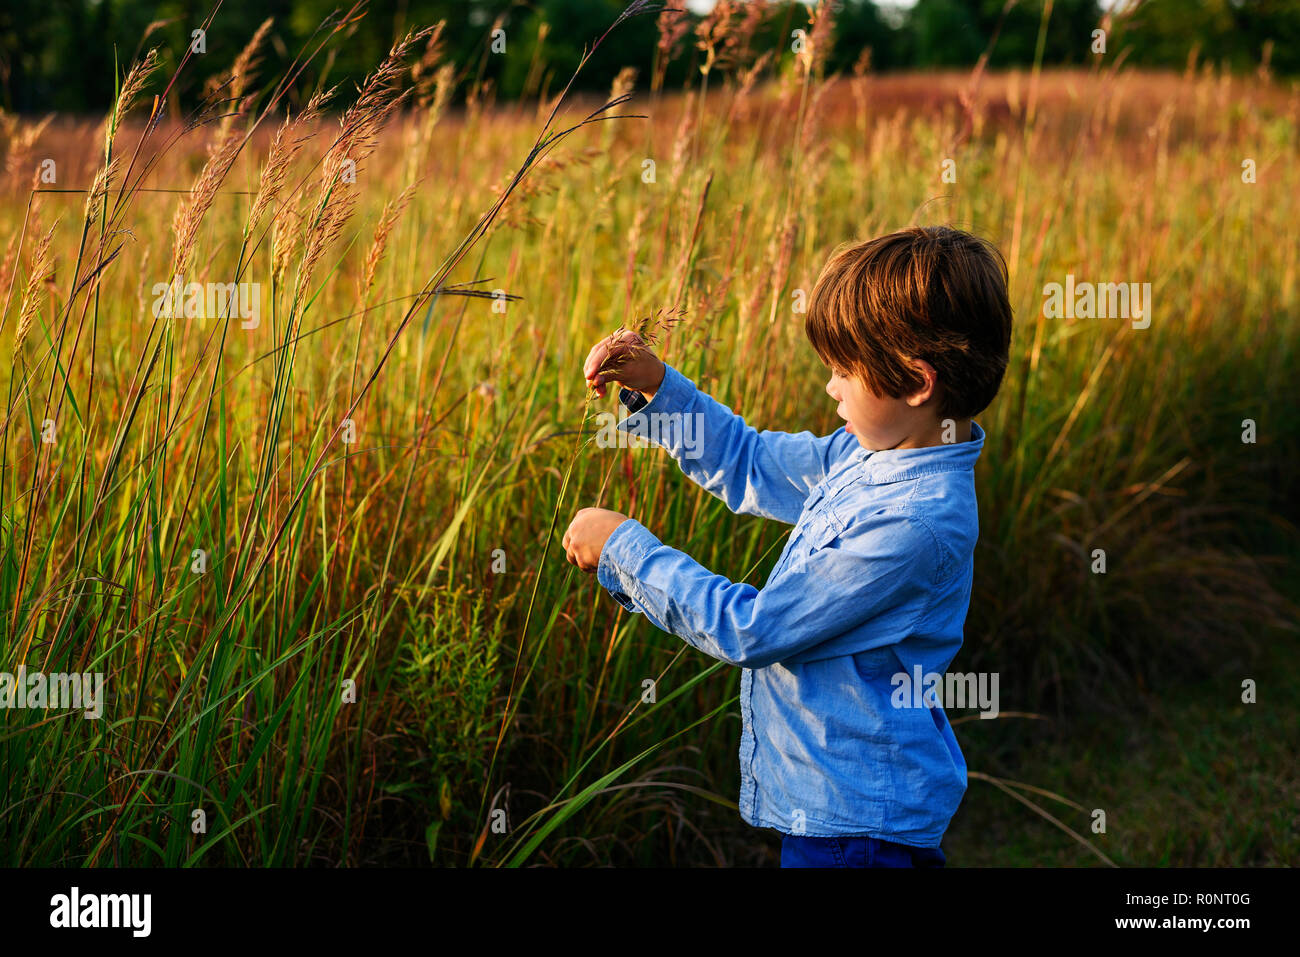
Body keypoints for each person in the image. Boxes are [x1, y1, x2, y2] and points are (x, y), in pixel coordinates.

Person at [562, 225, 1014, 867]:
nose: (830, 388)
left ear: (917, 384)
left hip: (858, 829)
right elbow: (751, 461)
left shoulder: (915, 527)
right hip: (836, 816)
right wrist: (660, 391)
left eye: (844, 371)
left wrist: (625, 551)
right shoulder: (867, 453)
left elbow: (755, 629)